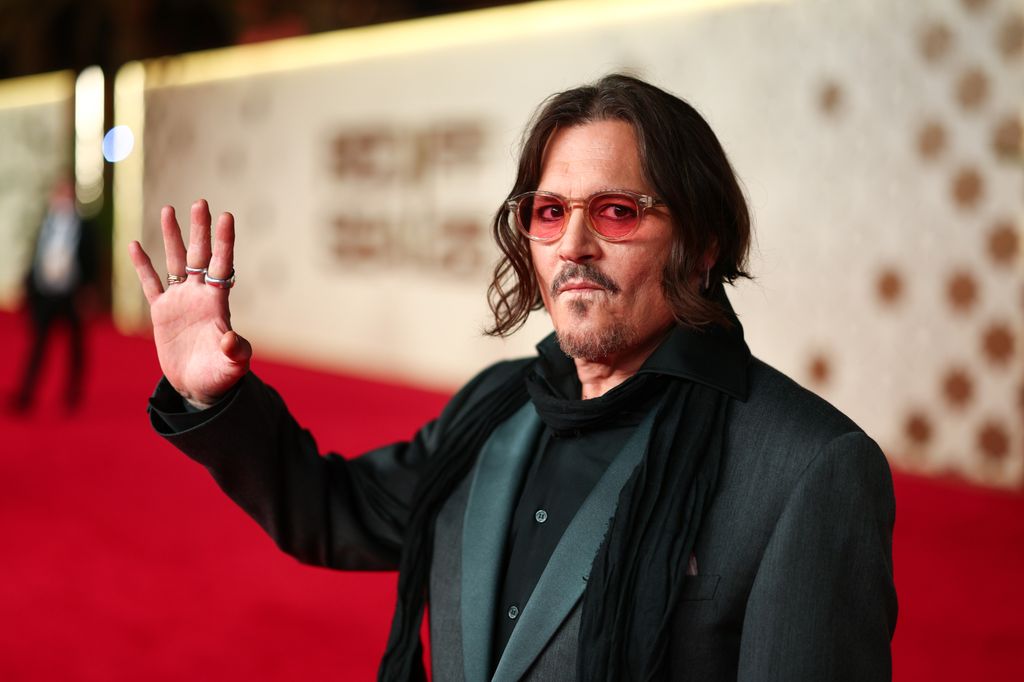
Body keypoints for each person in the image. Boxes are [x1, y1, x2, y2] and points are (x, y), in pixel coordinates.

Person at [129, 74, 897, 681]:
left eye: (618, 211)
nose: (574, 244)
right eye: (549, 211)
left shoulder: (807, 469)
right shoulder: (495, 408)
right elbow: (334, 512)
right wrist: (213, 397)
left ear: (701, 245)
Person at [13, 177, 96, 413]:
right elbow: (37, 257)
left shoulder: (85, 227)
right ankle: (26, 395)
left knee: (76, 348)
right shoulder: (45, 223)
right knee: (38, 346)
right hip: (45, 294)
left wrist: (88, 291)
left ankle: (72, 395)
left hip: (71, 295)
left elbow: (92, 260)